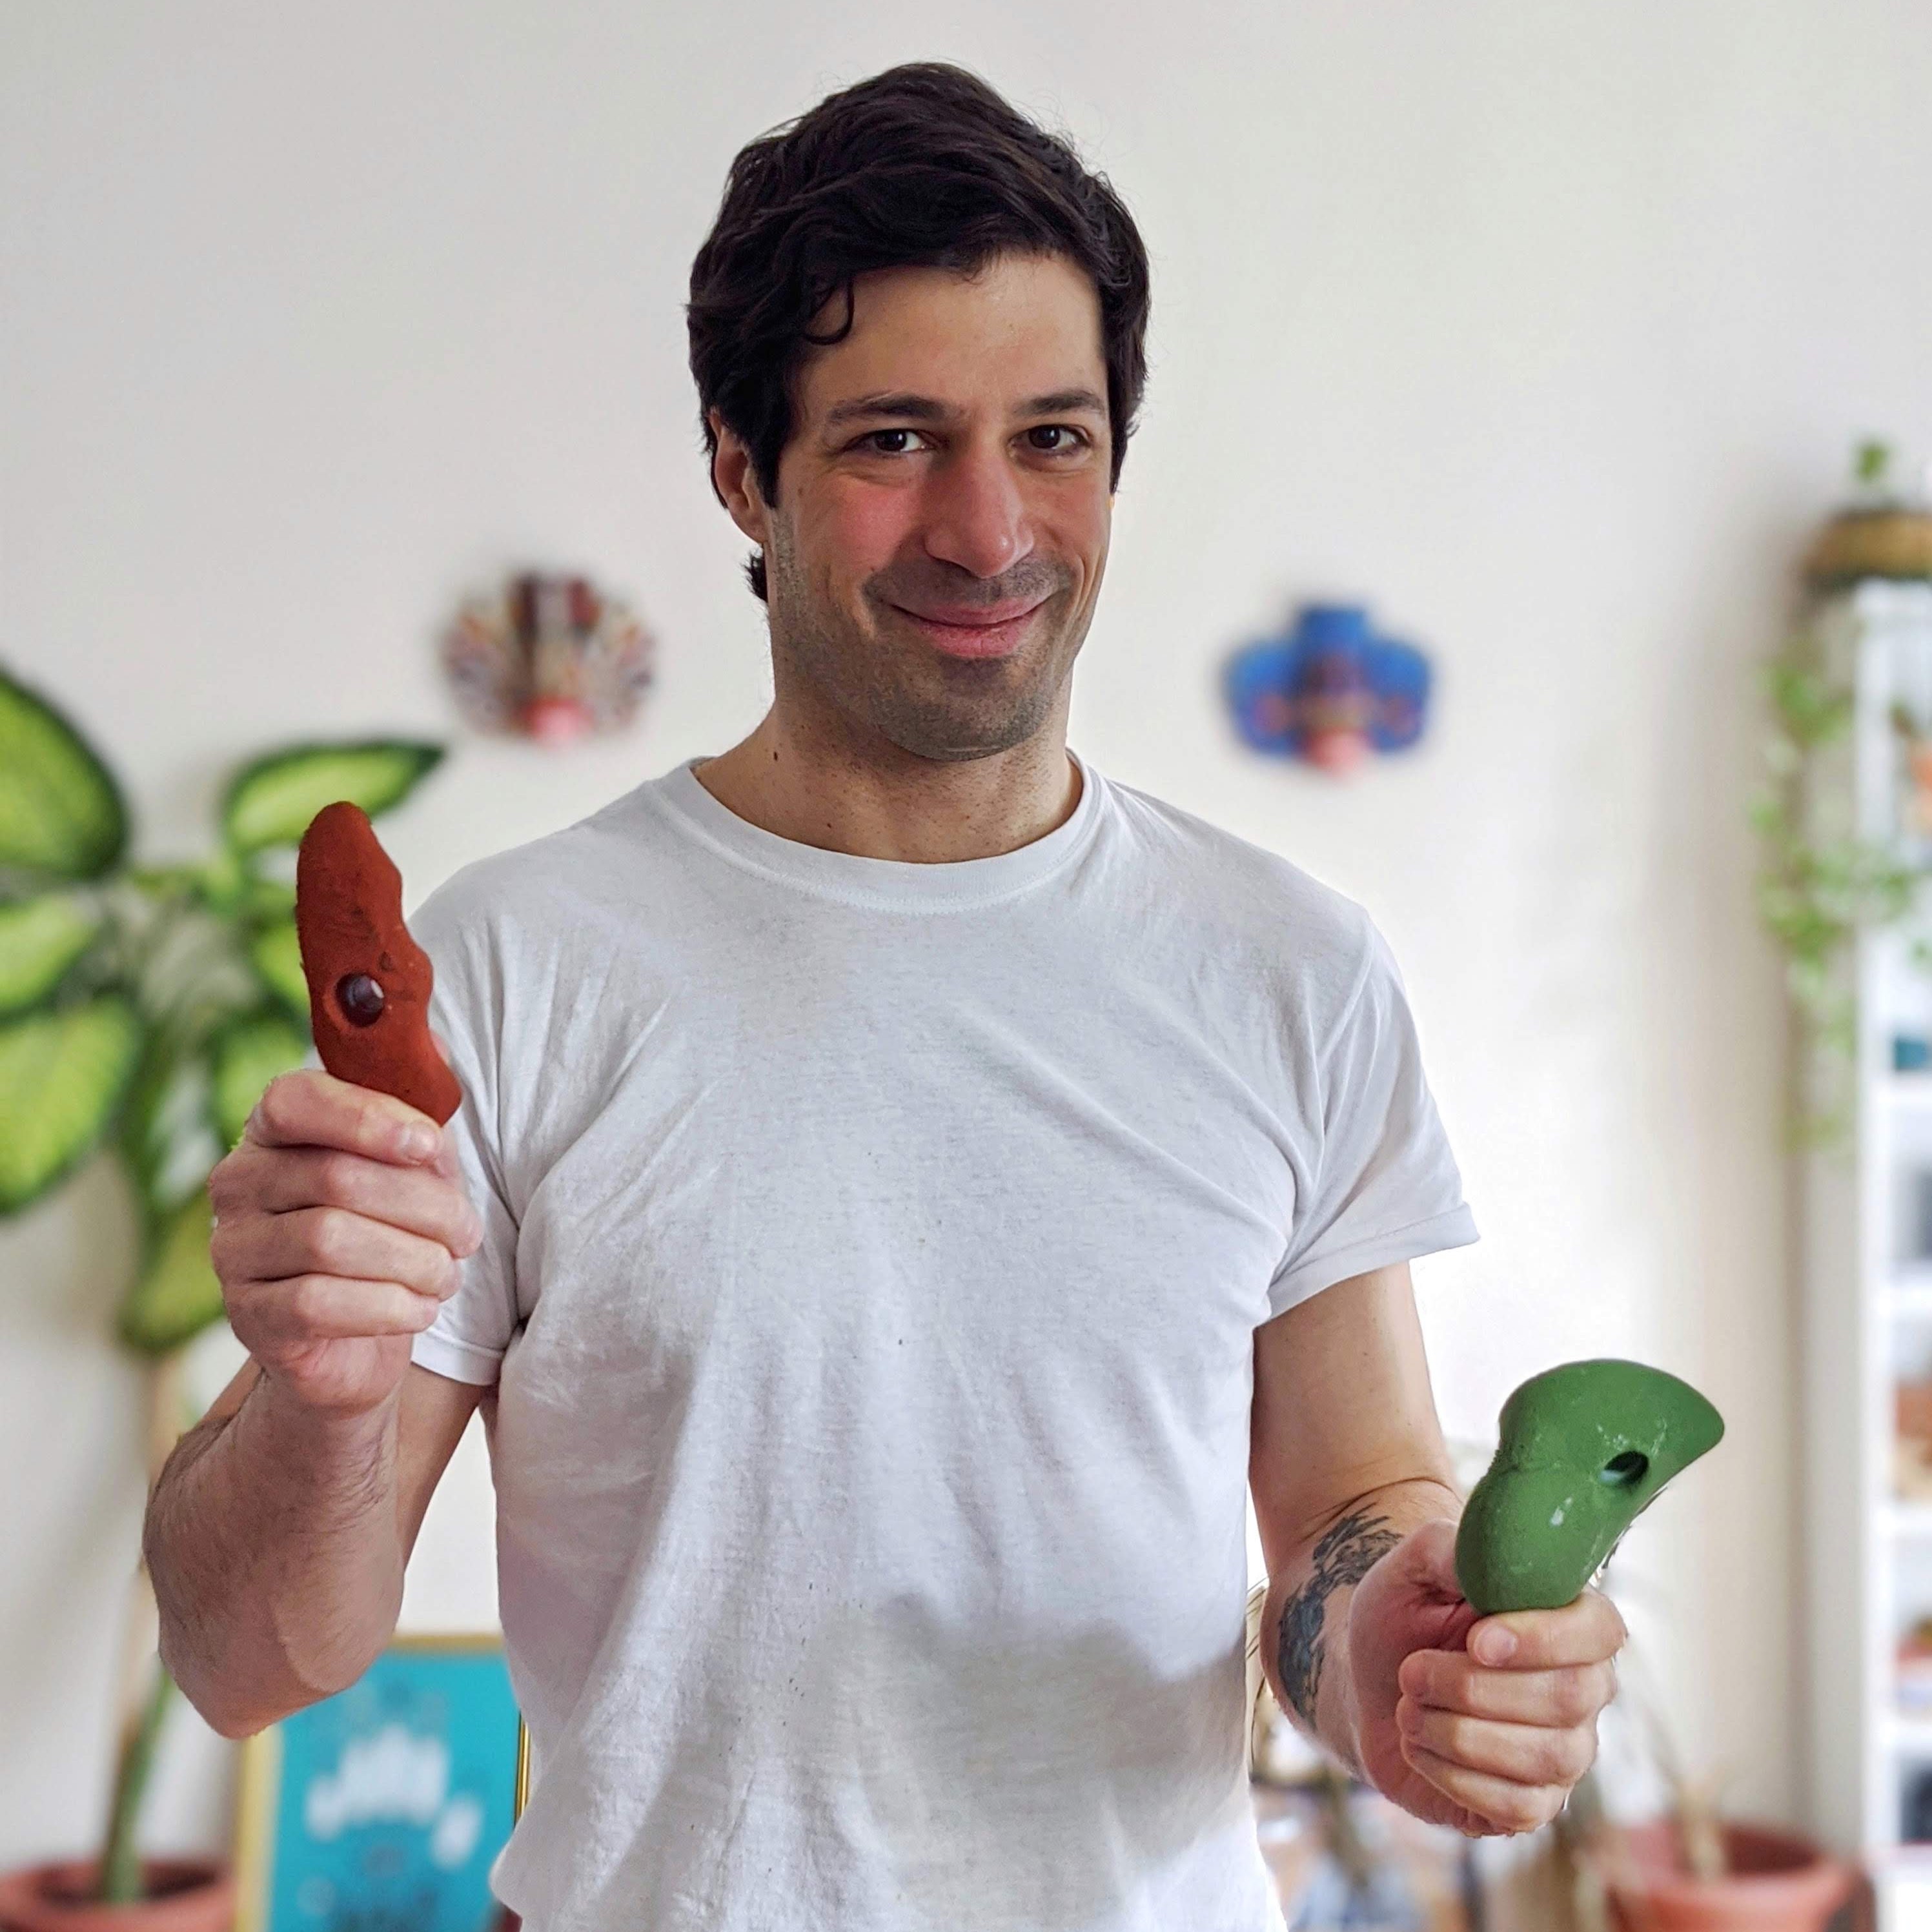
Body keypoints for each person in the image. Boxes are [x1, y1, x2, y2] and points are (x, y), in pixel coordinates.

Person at [145, 60, 1624, 1932]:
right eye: (893, 440)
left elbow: (1354, 1498)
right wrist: (314, 1398)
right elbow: (247, 1658)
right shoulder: (518, 968)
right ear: (738, 465)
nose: (991, 531)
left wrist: (1402, 1656)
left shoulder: (1290, 967)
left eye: (1057, 437)